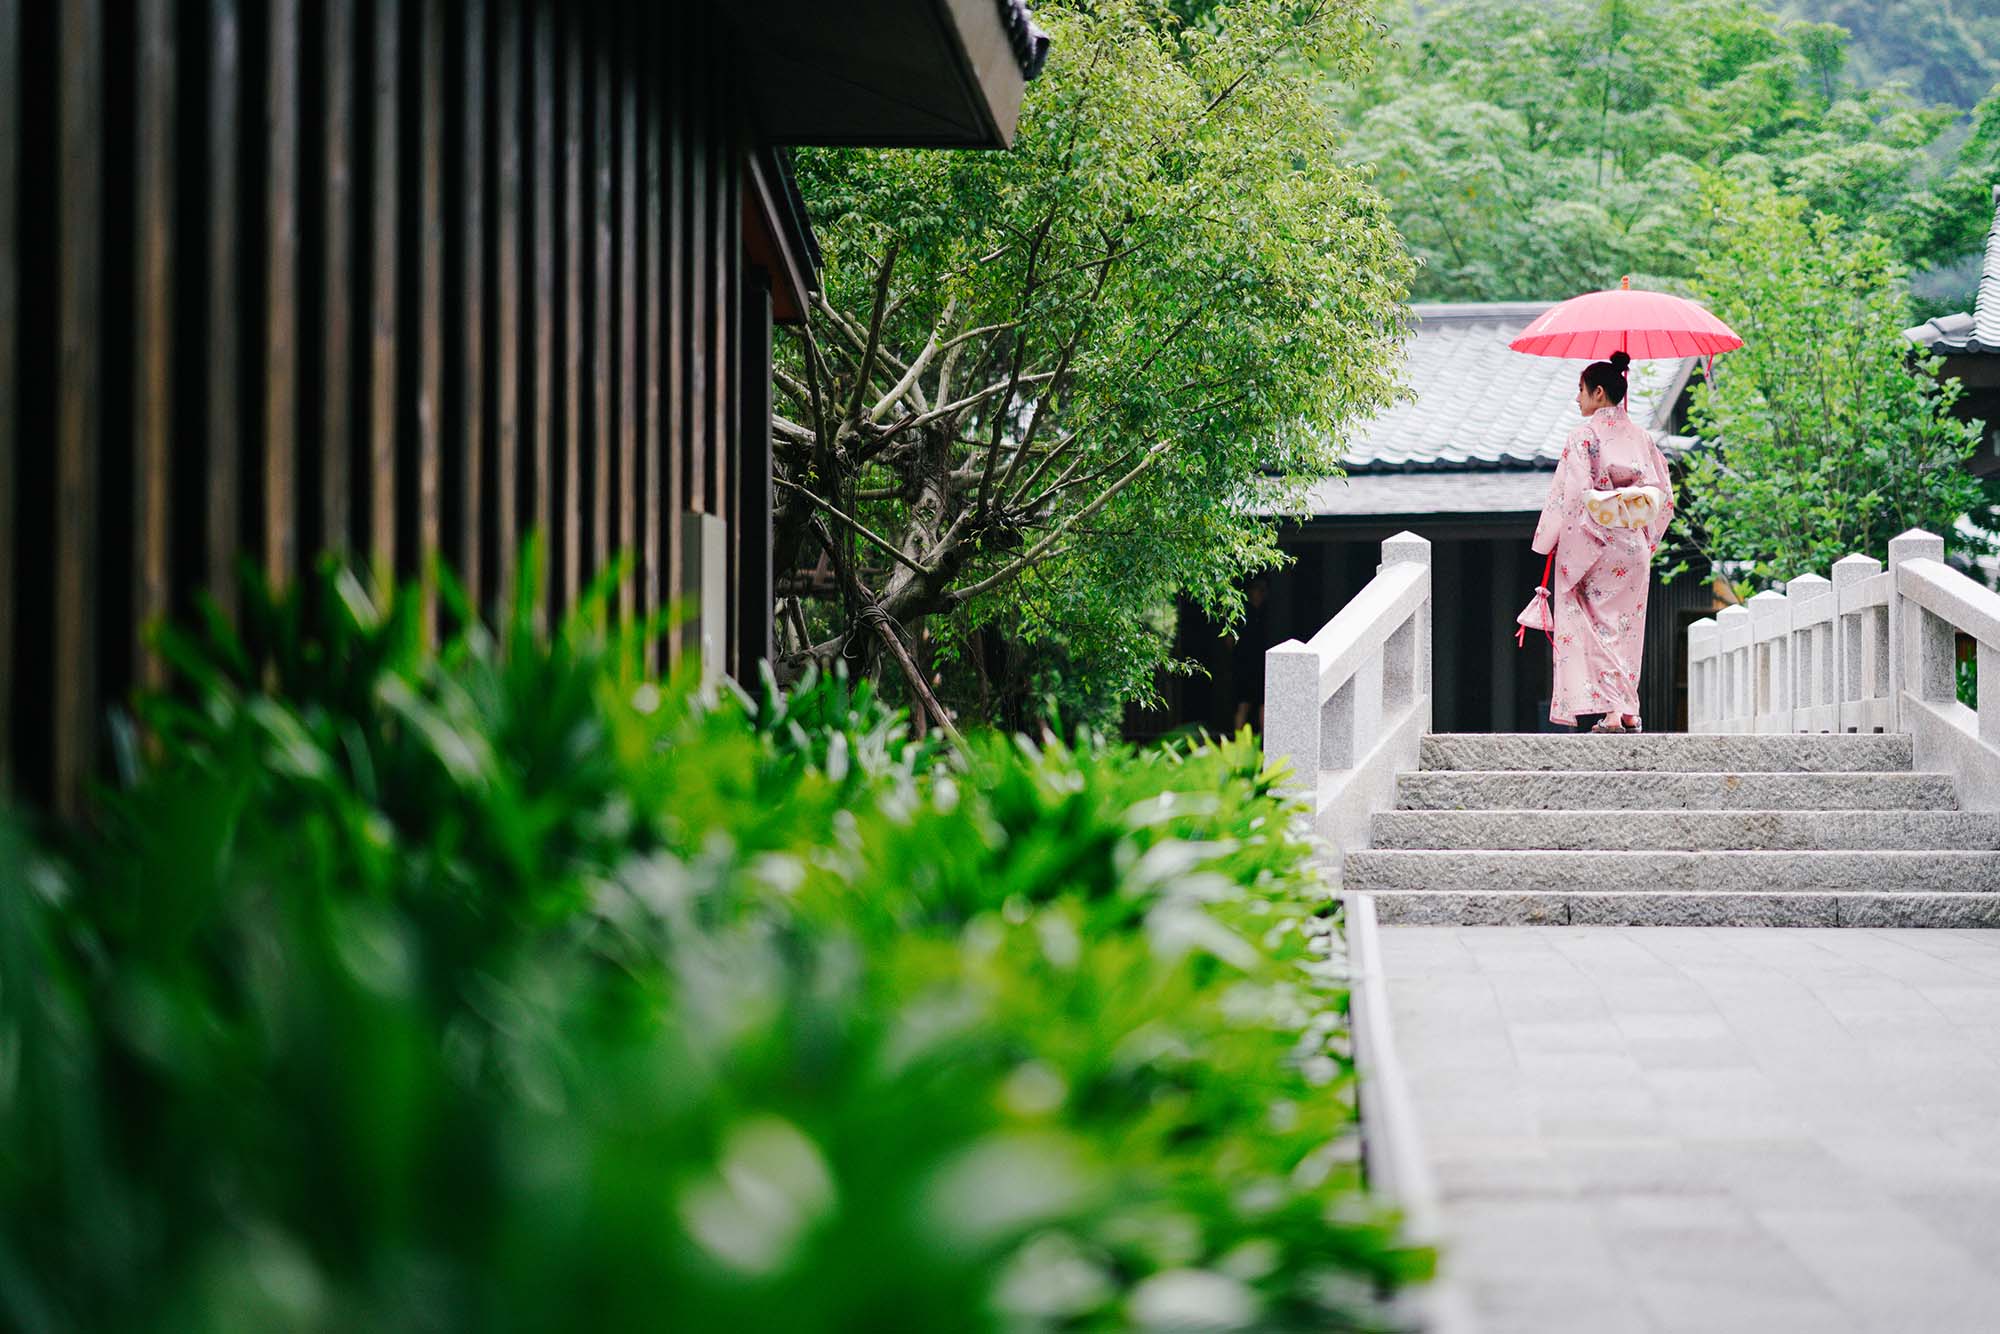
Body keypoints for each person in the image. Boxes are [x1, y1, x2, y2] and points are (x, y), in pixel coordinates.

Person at [1531, 351, 1675, 733]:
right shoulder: (1643, 438)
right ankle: (1630, 709)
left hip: (1598, 543)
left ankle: (1612, 713)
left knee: (1598, 626)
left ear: (1598, 392)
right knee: (1627, 627)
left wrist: (1551, 545)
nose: (1576, 398)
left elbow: (1573, 496)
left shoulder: (1584, 437)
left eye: (1580, 390)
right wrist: (1646, 537)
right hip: (1634, 545)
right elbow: (1664, 496)